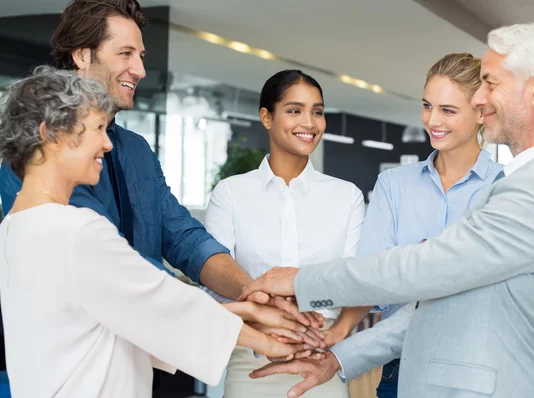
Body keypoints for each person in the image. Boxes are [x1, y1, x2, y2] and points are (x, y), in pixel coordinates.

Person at [241, 22, 534, 398]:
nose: (480, 98)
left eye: (491, 83)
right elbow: (436, 302)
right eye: (429, 106)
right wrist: (339, 357)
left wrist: (302, 281)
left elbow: (427, 268)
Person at [0, 0, 321, 327]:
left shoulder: (136, 149)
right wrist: (241, 313)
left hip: (144, 353)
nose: (139, 70)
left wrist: (250, 291)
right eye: (125, 54)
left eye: (140, 57)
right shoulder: (37, 152)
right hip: (73, 354)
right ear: (82, 55)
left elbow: (183, 237)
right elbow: (108, 261)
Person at [0, 66, 310, 397]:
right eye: (96, 129)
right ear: (51, 134)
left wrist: (246, 311)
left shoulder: (15, 228)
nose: (107, 144)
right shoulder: (78, 230)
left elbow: (128, 320)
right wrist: (275, 343)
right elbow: (163, 306)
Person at [332, 52, 502, 398]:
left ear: (481, 113)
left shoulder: (503, 188)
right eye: (427, 106)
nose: (432, 120)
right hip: (402, 367)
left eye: (448, 110)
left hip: (479, 371)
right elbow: (373, 276)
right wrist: (339, 330)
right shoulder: (394, 185)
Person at [205, 69, 365, 398]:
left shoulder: (346, 196)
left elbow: (356, 279)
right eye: (294, 110)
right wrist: (267, 322)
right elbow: (215, 280)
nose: (309, 122)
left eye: (317, 112)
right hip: (251, 360)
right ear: (266, 117)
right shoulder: (231, 193)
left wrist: (332, 332)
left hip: (320, 361)